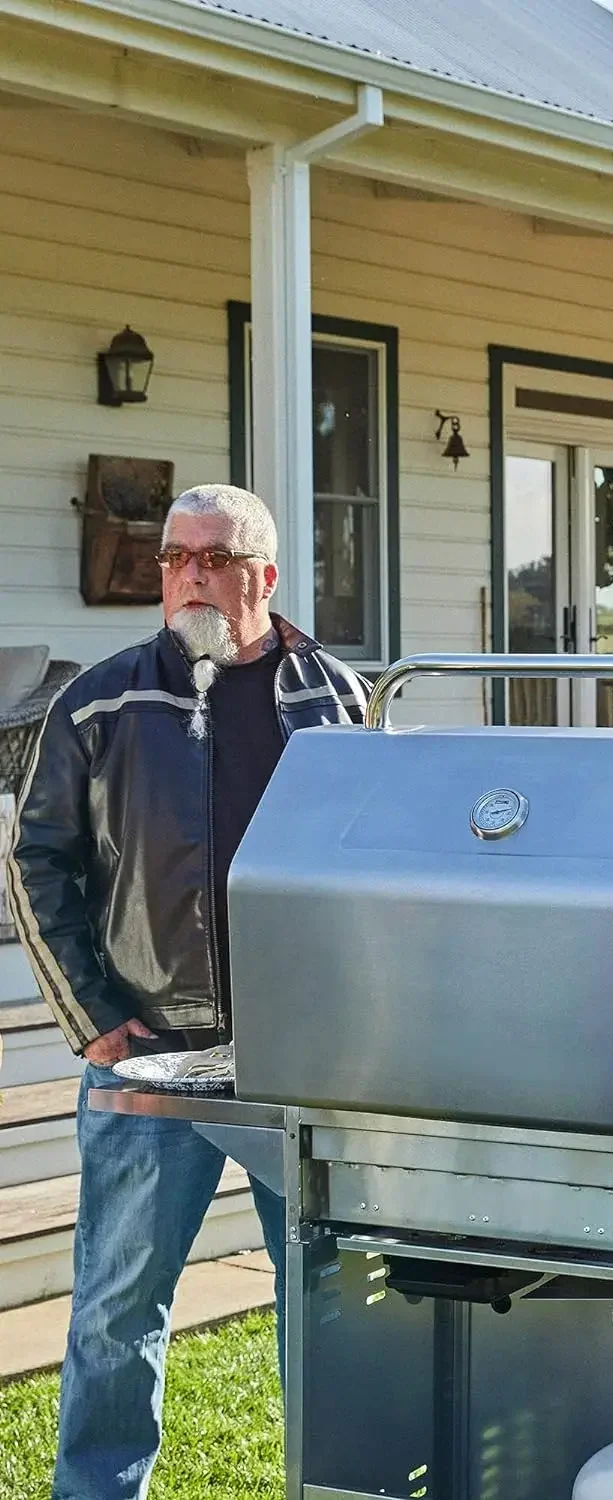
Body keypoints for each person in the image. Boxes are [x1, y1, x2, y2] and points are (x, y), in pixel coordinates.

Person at [4, 484, 369, 1500]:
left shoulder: (338, 697)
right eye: (174, 557)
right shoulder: (102, 701)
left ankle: (337, 1485)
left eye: (215, 557)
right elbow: (34, 862)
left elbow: (380, 866)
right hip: (152, 1057)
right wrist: (91, 1017)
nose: (191, 576)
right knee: (119, 1312)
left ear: (267, 575)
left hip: (301, 1062)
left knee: (326, 1305)